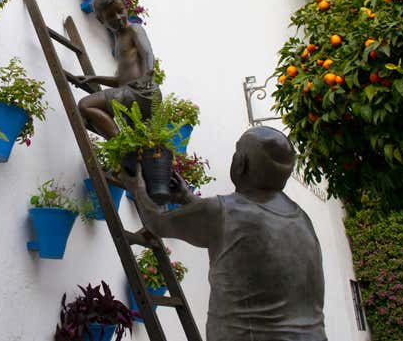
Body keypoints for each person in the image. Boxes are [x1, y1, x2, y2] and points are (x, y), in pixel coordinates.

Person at [121, 126, 327, 341]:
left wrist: (137, 187)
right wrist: (188, 199)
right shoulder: (302, 219)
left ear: (241, 164)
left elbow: (158, 223)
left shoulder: (224, 211)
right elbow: (237, 226)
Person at [74, 0, 159, 139]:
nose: (118, 17)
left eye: (120, 11)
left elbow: (147, 53)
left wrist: (148, 73)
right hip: (131, 91)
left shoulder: (134, 29)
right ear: (101, 20)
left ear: (126, 6)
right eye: (111, 15)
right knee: (142, 140)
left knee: (86, 105)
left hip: (140, 92)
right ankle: (131, 154)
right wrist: (93, 79)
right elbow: (121, 80)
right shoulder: (118, 41)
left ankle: (122, 146)